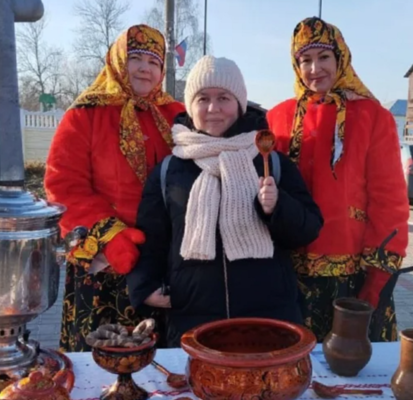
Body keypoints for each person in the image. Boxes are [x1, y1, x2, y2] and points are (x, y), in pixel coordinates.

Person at [127, 56, 324, 347]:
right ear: (190, 106)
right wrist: (143, 286)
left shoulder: (272, 162)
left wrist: (276, 208)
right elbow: (151, 238)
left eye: (223, 98)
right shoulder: (170, 169)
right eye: (202, 98)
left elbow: (309, 229)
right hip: (192, 322)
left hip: (269, 323)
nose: (213, 109)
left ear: (240, 103)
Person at [266, 17, 410, 343]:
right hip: (286, 269)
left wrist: (378, 276)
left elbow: (388, 199)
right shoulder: (278, 117)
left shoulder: (373, 117)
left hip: (350, 272)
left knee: (350, 368)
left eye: (323, 58)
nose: (315, 68)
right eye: (305, 60)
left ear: (340, 57)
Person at [44, 24, 185, 352]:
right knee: (103, 360)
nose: (144, 68)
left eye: (153, 61)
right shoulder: (85, 115)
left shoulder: (177, 115)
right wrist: (110, 236)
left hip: (163, 261)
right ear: (118, 59)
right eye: (136, 57)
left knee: (161, 361)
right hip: (104, 264)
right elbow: (63, 185)